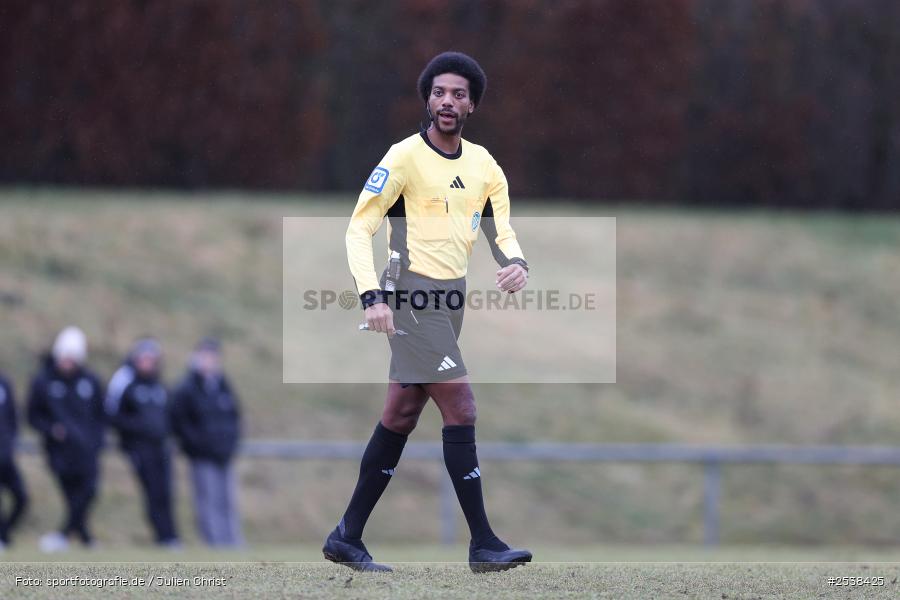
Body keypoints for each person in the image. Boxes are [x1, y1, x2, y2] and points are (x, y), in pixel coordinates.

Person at [328, 51, 531, 573]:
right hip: (412, 296)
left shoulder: (485, 165)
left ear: (472, 105)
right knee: (460, 408)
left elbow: (500, 229)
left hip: (451, 299)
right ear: (427, 98)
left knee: (400, 415)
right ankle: (483, 543)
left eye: (459, 94)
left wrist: (515, 262)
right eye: (439, 92)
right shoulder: (402, 157)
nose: (448, 101)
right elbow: (358, 227)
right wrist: (372, 296)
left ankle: (346, 535)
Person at [27, 326, 105, 552]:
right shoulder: (43, 381)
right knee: (72, 496)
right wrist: (52, 430)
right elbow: (33, 416)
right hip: (59, 451)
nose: (68, 363)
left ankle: (67, 535)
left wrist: (97, 440)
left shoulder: (90, 381)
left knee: (89, 491)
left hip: (87, 449)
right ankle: (83, 538)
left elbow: (101, 414)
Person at [105, 338, 180, 548]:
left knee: (166, 492)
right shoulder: (127, 385)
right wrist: (137, 429)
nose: (147, 363)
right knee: (152, 493)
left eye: (151, 359)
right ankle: (162, 536)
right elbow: (114, 415)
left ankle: (171, 536)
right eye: (144, 359)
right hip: (139, 448)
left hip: (161, 447)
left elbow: (170, 416)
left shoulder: (159, 387)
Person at [171, 338, 243, 547]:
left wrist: (230, 444)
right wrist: (196, 445)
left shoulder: (222, 385)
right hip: (202, 455)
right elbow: (180, 422)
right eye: (206, 356)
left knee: (228, 500)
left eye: (213, 356)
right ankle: (215, 543)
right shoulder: (187, 388)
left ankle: (233, 542)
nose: (210, 360)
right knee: (207, 501)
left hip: (224, 453)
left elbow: (234, 416)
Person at [0, 369, 28, 551]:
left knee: (21, 497)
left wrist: (11, 443)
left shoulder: (4, 383)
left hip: (5, 455)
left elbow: (13, 416)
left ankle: (4, 534)